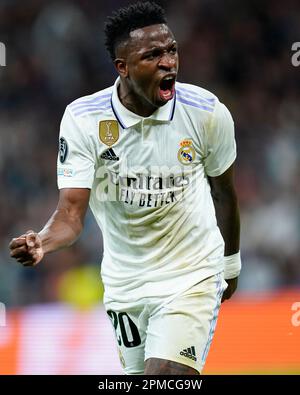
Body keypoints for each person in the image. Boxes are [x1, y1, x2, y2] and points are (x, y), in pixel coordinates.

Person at [9, 1, 241, 375]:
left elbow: (224, 192)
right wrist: (43, 242)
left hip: (191, 274)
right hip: (125, 286)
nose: (169, 63)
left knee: (165, 377)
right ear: (124, 67)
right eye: (153, 55)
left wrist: (230, 264)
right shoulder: (84, 119)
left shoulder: (206, 112)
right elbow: (70, 214)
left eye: (172, 50)